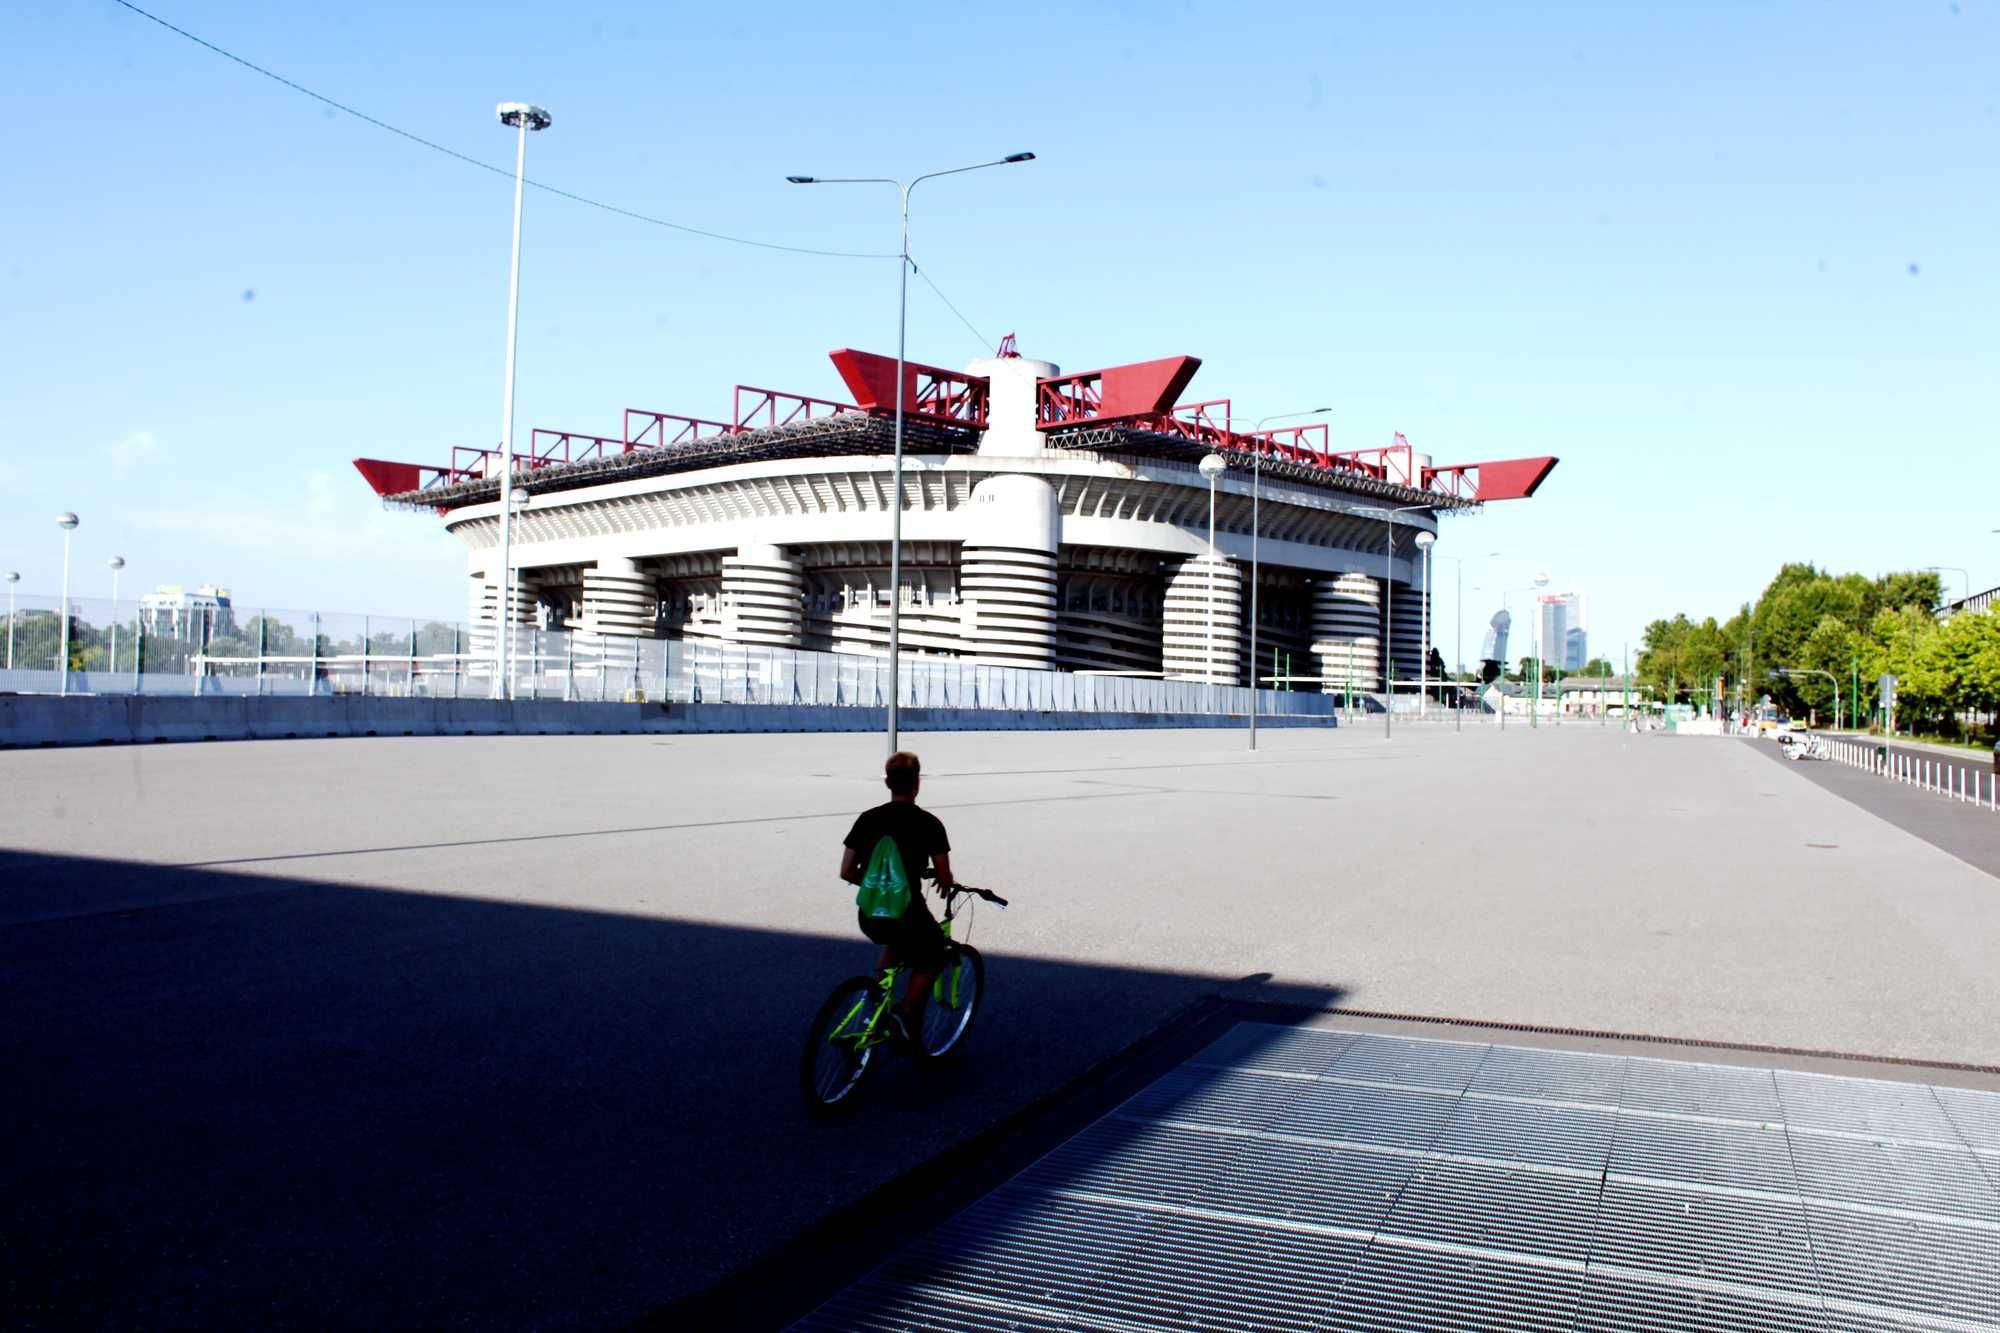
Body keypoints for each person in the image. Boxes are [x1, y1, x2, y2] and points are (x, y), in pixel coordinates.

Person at [840, 750, 955, 1048]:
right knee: (935, 952)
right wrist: (943, 882)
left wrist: (880, 884)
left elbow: (846, 871)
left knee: (895, 943)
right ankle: (903, 1014)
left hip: (870, 915)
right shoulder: (929, 823)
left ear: (888, 783)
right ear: (918, 783)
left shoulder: (867, 819)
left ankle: (875, 1004)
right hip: (907, 913)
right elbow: (944, 876)